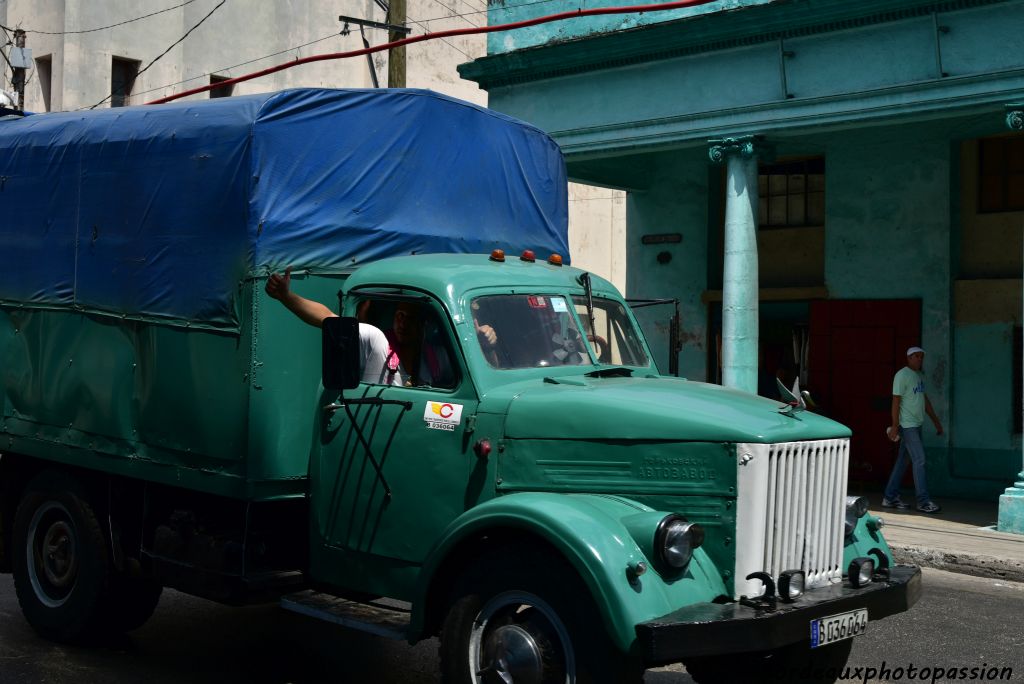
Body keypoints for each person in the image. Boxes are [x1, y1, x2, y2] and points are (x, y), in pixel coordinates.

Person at [265, 267, 399, 386]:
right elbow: (326, 317)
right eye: (400, 315)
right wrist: (286, 296)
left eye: (413, 317)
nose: (405, 323)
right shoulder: (375, 337)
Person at [882, 346, 943, 514]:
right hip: (907, 426)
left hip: (916, 425)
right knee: (920, 460)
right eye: (916, 357)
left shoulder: (918, 376)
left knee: (903, 462)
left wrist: (936, 421)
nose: (919, 359)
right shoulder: (902, 376)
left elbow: (925, 401)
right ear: (908, 358)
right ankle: (923, 501)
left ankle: (889, 497)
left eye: (921, 357)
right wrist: (895, 425)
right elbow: (895, 401)